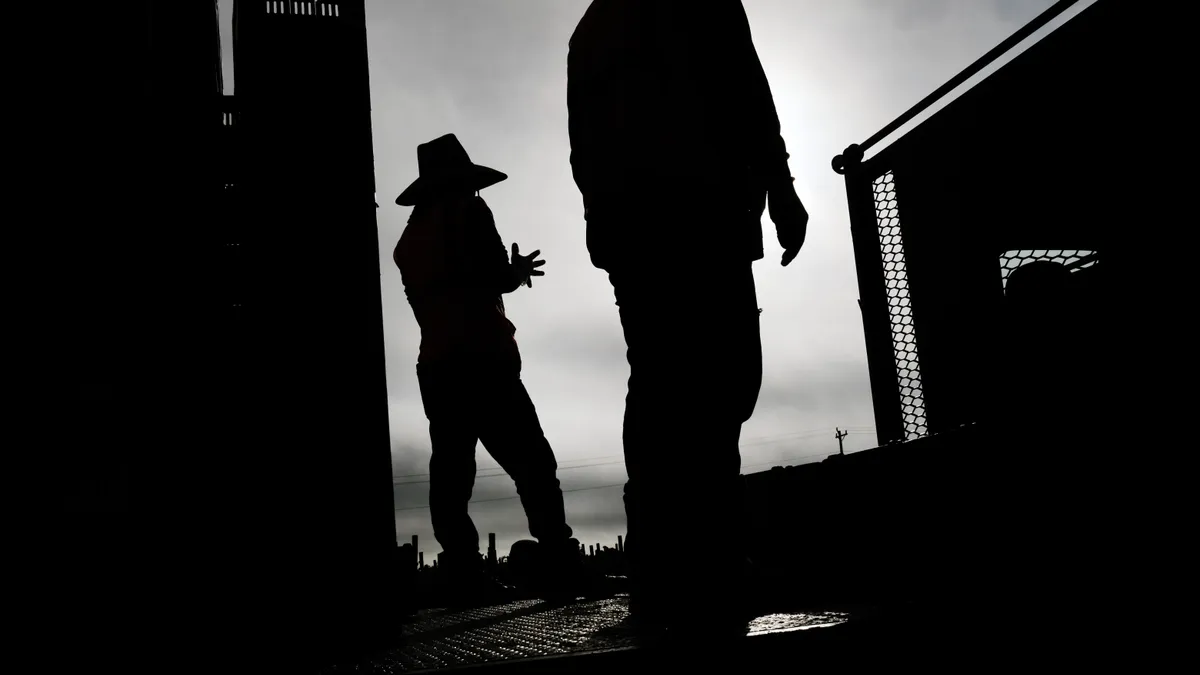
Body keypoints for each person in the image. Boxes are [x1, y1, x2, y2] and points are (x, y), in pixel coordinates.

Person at [567, 0, 810, 633]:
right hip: (704, 214)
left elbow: (582, 152)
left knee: (660, 385)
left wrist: (606, 229)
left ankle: (667, 563)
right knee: (719, 384)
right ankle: (711, 559)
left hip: (641, 230)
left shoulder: (590, 32)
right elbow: (748, 93)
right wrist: (780, 187)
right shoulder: (702, 4)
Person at [393, 133, 581, 606]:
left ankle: (463, 576)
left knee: (451, 477)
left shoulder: (408, 242)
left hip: (436, 367)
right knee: (534, 466)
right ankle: (560, 562)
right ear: (460, 181)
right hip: (485, 362)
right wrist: (516, 273)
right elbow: (494, 276)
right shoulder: (471, 212)